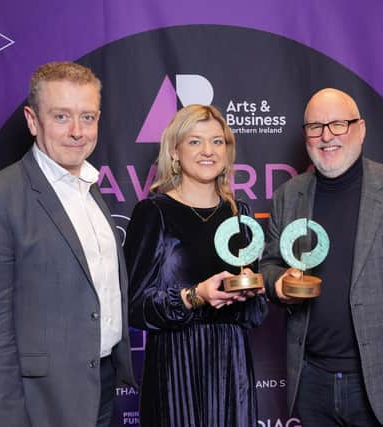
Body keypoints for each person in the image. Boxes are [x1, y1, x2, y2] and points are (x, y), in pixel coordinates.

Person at [0, 61, 135, 427]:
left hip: (97, 386)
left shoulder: (89, 188)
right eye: (61, 117)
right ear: (33, 120)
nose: (77, 131)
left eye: (87, 117)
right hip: (37, 401)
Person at [260, 88, 383, 427]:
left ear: (360, 129)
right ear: (306, 136)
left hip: (381, 379)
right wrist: (279, 282)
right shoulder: (289, 196)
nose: (326, 136)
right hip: (312, 379)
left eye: (338, 124)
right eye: (316, 126)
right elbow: (268, 264)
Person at [124, 104, 267, 426]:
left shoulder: (239, 213)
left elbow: (255, 313)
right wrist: (195, 295)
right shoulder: (154, 212)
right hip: (177, 364)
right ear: (174, 151)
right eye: (195, 141)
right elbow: (135, 306)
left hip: (232, 364)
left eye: (217, 142)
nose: (208, 151)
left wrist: (249, 292)